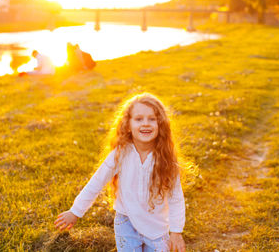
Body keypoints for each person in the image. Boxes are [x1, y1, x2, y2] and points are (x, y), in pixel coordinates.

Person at [54, 93, 186, 252]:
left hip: (157, 227)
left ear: (161, 124)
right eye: (139, 119)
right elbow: (96, 183)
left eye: (152, 119)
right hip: (126, 223)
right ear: (128, 125)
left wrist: (176, 232)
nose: (146, 124)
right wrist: (75, 211)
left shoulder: (166, 159)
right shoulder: (120, 154)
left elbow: (176, 197)